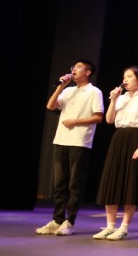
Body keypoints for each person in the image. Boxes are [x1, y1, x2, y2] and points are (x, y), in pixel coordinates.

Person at [36, 60, 104, 236]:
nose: (74, 69)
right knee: (59, 183)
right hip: (61, 139)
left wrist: (75, 121)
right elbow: (50, 106)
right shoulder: (67, 90)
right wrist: (61, 86)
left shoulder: (94, 92)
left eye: (79, 67)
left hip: (80, 141)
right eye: (73, 67)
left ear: (88, 72)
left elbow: (98, 117)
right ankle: (57, 219)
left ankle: (69, 221)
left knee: (75, 184)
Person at [93, 66, 138, 241]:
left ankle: (124, 227)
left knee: (130, 184)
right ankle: (110, 226)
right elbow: (109, 120)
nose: (125, 80)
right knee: (111, 181)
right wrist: (113, 100)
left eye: (129, 76)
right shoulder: (120, 98)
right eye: (124, 77)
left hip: (135, 138)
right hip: (118, 139)